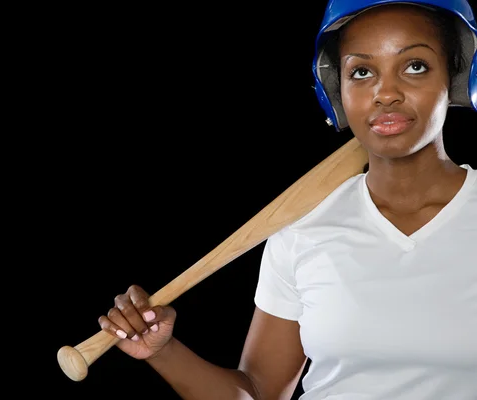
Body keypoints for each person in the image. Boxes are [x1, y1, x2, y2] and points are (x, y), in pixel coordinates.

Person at [96, 0, 477, 398]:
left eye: (414, 66)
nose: (385, 94)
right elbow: (257, 393)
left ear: (454, 74)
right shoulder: (302, 226)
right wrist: (163, 352)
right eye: (361, 72)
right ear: (336, 91)